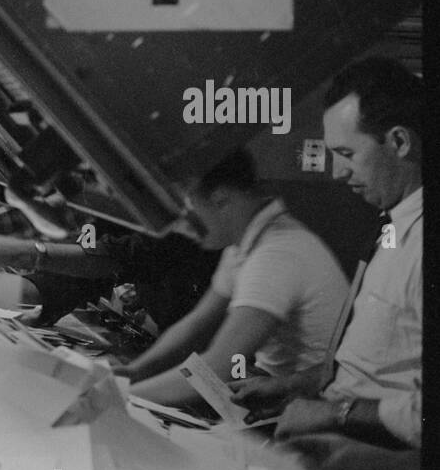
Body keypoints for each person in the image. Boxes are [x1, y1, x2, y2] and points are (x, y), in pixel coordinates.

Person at [233, 58, 422, 451]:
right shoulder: (393, 222)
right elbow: (369, 363)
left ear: (400, 142)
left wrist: (336, 414)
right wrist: (290, 385)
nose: (336, 173)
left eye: (347, 154)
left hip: (370, 459)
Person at [116, 147, 348, 410]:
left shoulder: (276, 254)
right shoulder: (245, 241)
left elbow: (216, 367)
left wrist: (117, 396)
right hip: (270, 388)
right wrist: (132, 372)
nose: (182, 227)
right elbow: (194, 326)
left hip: (305, 405)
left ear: (222, 200)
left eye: (188, 215)